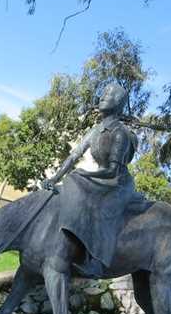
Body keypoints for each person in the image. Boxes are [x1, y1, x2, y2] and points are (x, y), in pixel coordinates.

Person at [41, 82, 149, 277]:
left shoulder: (120, 133)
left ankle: (95, 261)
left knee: (102, 208)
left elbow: (113, 170)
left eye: (108, 95)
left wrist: (83, 175)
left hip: (118, 183)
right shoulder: (96, 130)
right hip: (104, 178)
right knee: (73, 183)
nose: (102, 97)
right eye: (103, 93)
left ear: (118, 103)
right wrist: (55, 177)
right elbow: (74, 155)